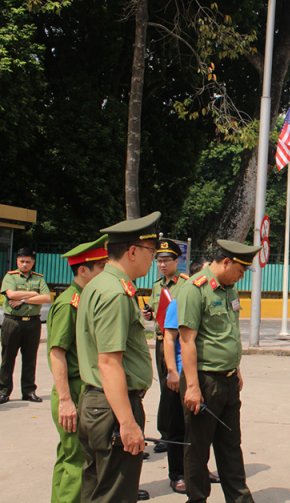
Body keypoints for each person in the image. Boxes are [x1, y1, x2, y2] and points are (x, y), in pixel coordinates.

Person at [76, 211, 161, 503]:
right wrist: (127, 422)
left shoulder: (97, 285)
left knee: (95, 490)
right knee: (115, 495)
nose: (154, 260)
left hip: (96, 403)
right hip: (113, 407)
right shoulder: (114, 292)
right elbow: (109, 362)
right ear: (133, 251)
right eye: (151, 252)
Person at [178, 240, 260, 503]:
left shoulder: (229, 290)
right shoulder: (195, 289)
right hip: (204, 381)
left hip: (227, 380)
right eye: (240, 269)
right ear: (226, 262)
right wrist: (192, 387)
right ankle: (197, 499)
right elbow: (187, 340)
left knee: (230, 445)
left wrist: (235, 370)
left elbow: (229, 333)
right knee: (198, 449)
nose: (242, 276)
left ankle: (239, 499)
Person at [47, 235, 109, 503]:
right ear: (83, 270)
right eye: (101, 267)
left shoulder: (83, 298)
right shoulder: (69, 303)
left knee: (69, 456)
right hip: (71, 390)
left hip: (78, 390)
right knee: (77, 462)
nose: (106, 272)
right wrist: (65, 401)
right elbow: (56, 353)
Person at [160, 258, 213, 494]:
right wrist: (172, 372)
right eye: (206, 272)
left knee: (202, 428)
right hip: (181, 375)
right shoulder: (179, 303)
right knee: (179, 427)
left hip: (204, 375)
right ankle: (178, 474)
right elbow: (169, 340)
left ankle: (199, 469)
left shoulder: (209, 302)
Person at [141, 238, 188, 454]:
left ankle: (177, 433)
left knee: (176, 390)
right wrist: (147, 314)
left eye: (167, 260)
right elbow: (155, 311)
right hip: (160, 342)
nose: (162, 264)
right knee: (164, 390)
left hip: (178, 344)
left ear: (176, 261)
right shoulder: (156, 286)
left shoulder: (185, 284)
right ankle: (165, 434)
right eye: (159, 260)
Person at [0, 247, 52, 403]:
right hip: (12, 322)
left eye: (28, 261)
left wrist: (23, 300)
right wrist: (34, 294)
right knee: (7, 358)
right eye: (21, 261)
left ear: (33, 262)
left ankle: (29, 391)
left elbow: (47, 298)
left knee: (30, 359)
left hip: (33, 323)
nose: (24, 264)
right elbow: (11, 294)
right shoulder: (11, 277)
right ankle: (3, 391)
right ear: (17, 261)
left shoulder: (38, 279)